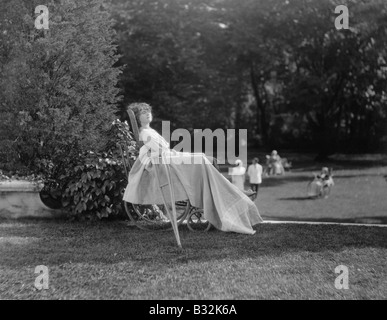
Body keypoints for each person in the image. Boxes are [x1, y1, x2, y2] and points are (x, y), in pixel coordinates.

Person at [123, 103, 263, 235]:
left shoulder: (150, 131)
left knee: (207, 159)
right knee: (201, 158)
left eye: (148, 111)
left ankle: (229, 188)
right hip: (165, 160)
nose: (147, 114)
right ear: (137, 117)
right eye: (142, 112)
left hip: (168, 156)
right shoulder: (145, 133)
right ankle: (229, 190)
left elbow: (162, 148)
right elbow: (159, 150)